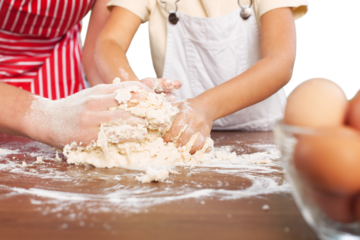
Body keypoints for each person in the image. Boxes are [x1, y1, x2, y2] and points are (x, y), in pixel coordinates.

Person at [84, 0, 309, 154]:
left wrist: (206, 106)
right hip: (179, 138)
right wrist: (135, 93)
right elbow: (108, 44)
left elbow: (280, 61)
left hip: (262, 140)